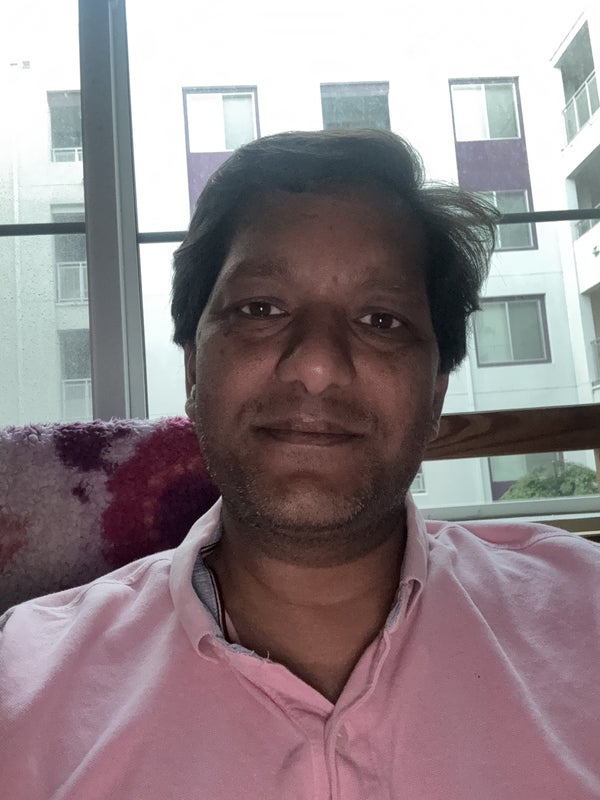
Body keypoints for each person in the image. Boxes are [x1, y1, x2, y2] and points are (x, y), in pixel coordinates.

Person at [1, 130, 599, 799]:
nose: (316, 365)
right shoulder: (24, 681)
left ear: (436, 393)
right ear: (194, 369)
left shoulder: (586, 614)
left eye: (381, 320)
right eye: (260, 309)